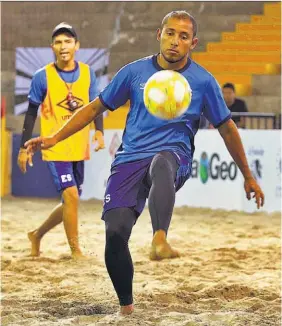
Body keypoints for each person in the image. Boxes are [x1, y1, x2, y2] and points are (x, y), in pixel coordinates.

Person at [25, 12, 264, 314]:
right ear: (159, 34)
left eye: (183, 36)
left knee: (162, 162)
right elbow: (94, 107)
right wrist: (53, 138)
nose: (175, 41)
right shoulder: (134, 73)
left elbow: (228, 128)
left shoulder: (203, 81)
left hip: (173, 156)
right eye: (170, 33)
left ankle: (159, 238)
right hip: (128, 160)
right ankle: (127, 307)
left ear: (194, 43)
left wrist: (247, 175)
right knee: (114, 235)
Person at [17, 22, 105, 259]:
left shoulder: (88, 73)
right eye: (58, 42)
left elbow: (96, 105)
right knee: (71, 196)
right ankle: (76, 251)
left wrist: (99, 131)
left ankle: (36, 234)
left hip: (79, 147)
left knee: (71, 202)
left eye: (67, 41)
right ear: (52, 47)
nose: (63, 46)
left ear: (77, 45)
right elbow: (31, 113)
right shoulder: (42, 76)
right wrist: (24, 148)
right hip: (54, 148)